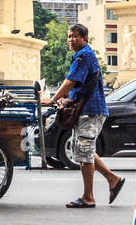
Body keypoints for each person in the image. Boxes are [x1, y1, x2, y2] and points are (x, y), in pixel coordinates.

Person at [44, 24, 125, 208]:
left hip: (90, 111)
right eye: (69, 36)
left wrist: (53, 99)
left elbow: (70, 82)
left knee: (84, 152)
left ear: (85, 39)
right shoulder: (83, 56)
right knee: (83, 150)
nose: (71, 40)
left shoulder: (83, 56)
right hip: (88, 111)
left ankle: (88, 197)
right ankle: (113, 179)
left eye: (75, 36)